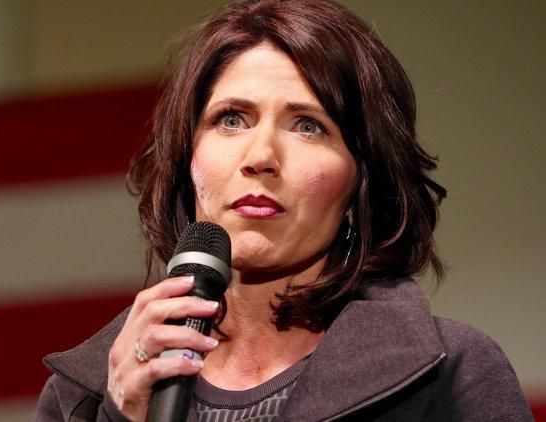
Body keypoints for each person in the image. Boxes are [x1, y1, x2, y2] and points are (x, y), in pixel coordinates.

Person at [34, 0, 532, 420]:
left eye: (308, 126)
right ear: (187, 156)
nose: (260, 157)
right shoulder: (82, 397)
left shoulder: (453, 376)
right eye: (231, 119)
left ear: (362, 178)